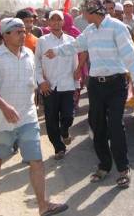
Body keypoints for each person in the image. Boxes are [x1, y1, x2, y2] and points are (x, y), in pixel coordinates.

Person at [45, 0, 134, 188]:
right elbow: (75, 45)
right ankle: (104, 165)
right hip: (96, 86)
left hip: (116, 84)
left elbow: (131, 56)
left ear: (92, 11)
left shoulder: (117, 27)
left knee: (115, 126)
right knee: (97, 125)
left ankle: (123, 169)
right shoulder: (89, 31)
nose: (82, 15)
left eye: (84, 11)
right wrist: (56, 51)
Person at [0, 17, 68, 215]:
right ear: (5, 35)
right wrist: (5, 106)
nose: (23, 34)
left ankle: (43, 205)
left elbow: (34, 78)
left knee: (36, 159)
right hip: (2, 118)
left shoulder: (28, 53)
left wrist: (41, 83)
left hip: (27, 116)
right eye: (18, 31)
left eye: (23, 31)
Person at [35, 10, 79, 160]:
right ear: (48, 23)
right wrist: (41, 82)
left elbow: (75, 63)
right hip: (49, 87)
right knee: (51, 119)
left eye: (58, 20)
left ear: (63, 22)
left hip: (67, 85)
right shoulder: (42, 41)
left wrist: (76, 83)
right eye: (52, 20)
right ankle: (58, 148)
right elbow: (37, 64)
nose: (56, 22)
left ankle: (65, 131)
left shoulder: (71, 40)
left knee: (68, 116)